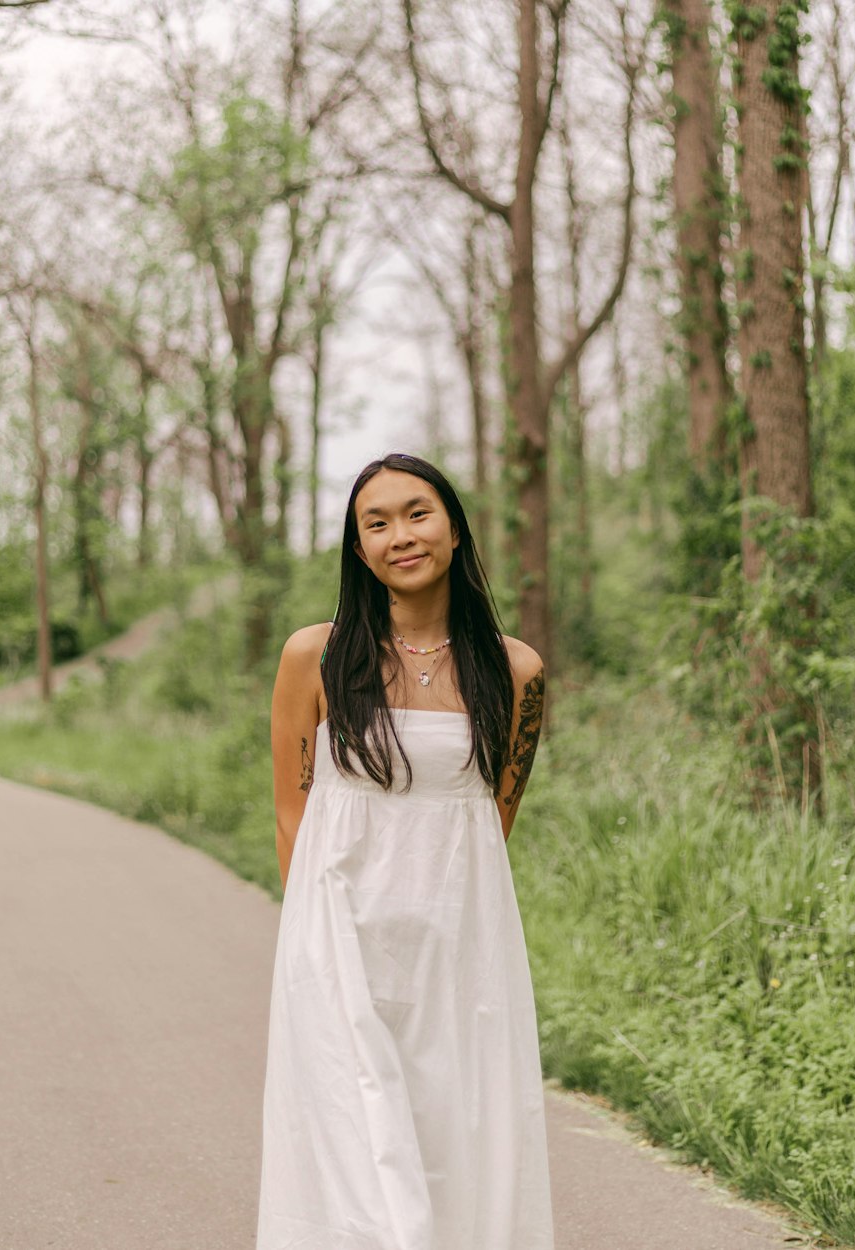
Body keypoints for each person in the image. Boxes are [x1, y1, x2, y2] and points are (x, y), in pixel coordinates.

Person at [256, 453, 553, 1250]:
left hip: (457, 953)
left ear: (454, 528)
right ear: (359, 551)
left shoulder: (515, 671)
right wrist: (308, 949)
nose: (400, 536)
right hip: (339, 942)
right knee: (356, 1151)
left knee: (456, 1145)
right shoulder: (314, 657)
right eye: (375, 523)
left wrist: (450, 932)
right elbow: (292, 811)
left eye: (416, 513)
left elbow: (492, 821)